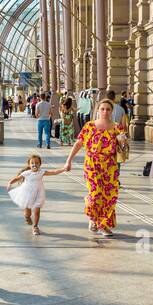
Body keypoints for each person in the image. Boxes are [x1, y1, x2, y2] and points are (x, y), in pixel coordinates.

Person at [61, 97, 127, 236]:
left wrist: (123, 141)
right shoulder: (89, 126)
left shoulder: (117, 128)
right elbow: (78, 144)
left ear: (112, 111)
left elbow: (123, 150)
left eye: (108, 109)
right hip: (92, 164)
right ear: (98, 110)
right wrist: (69, 160)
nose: (105, 112)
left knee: (110, 196)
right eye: (102, 109)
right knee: (95, 194)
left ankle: (104, 225)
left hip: (110, 166)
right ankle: (93, 219)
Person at [7, 153, 64, 235]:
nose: (34, 164)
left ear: (40, 164)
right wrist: (10, 183)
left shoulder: (41, 172)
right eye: (32, 163)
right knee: (28, 212)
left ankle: (35, 227)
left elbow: (54, 172)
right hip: (27, 194)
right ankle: (27, 217)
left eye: (37, 163)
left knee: (37, 211)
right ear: (29, 165)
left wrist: (64, 169)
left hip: (38, 194)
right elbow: (17, 178)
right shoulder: (27, 173)